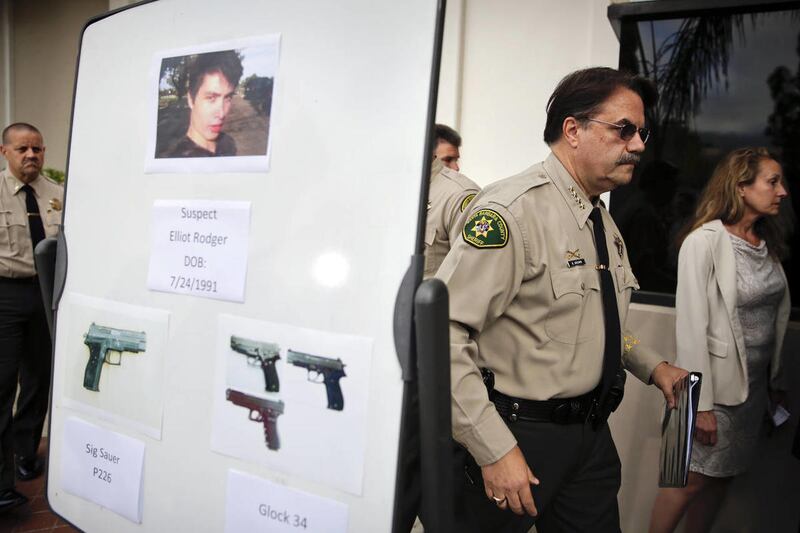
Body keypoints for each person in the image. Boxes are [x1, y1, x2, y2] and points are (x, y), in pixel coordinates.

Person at [434, 67, 687, 532]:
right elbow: (441, 333)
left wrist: (653, 365)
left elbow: (589, 320)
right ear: (574, 129)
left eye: (642, 132)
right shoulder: (511, 212)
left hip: (587, 439)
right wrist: (493, 447)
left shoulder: (600, 220)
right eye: (624, 129)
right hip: (514, 433)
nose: (638, 145)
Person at [649, 147, 791, 533]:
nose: (783, 191)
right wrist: (700, 407)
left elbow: (771, 322)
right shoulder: (705, 241)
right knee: (682, 484)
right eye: (773, 182)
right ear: (741, 186)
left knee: (722, 480)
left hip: (750, 396)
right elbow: (692, 327)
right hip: (708, 393)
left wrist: (774, 385)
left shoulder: (767, 245)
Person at [0, 123, 63, 512]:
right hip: (4, 294)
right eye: (23, 148)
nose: (32, 156)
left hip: (45, 296)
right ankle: (1, 483)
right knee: (3, 387)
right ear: (4, 151)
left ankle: (25, 455)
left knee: (39, 379)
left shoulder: (57, 195)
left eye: (38, 149)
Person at [162, 50, 243, 157]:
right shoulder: (176, 160)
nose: (222, 113)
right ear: (191, 99)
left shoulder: (227, 143)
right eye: (211, 98)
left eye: (227, 97)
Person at [424, 126, 480, 278]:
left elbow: (470, 275)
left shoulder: (461, 195)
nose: (456, 167)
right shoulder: (392, 190)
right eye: (448, 160)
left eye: (456, 159)